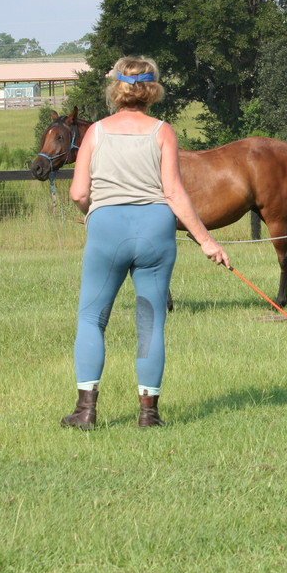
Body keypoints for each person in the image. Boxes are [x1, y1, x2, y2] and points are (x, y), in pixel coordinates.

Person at [60, 56, 229, 430]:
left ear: (116, 89)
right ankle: (148, 414)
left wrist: (94, 212)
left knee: (91, 318)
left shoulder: (96, 132)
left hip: (107, 228)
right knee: (151, 323)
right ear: (152, 90)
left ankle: (85, 411)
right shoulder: (163, 132)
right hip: (156, 230)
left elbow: (78, 192)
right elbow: (174, 193)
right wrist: (207, 242)